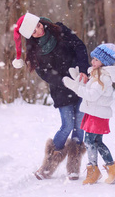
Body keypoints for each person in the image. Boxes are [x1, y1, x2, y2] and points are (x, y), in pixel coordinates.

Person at [12, 12, 90, 181]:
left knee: (80, 124)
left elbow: (79, 46)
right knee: (67, 125)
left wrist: (83, 69)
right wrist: (63, 80)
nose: (39, 30)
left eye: (39, 25)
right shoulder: (34, 51)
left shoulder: (59, 30)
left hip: (80, 81)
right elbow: (44, 73)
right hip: (61, 89)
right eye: (34, 31)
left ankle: (73, 167)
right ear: (30, 36)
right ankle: (47, 166)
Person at [62, 43, 115, 185]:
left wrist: (75, 87)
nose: (92, 62)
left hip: (97, 114)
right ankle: (110, 168)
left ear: (104, 62)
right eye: (93, 58)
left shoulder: (103, 78)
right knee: (96, 142)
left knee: (90, 142)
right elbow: (91, 92)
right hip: (95, 113)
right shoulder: (98, 75)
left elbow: (91, 96)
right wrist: (80, 81)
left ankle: (95, 170)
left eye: (96, 59)